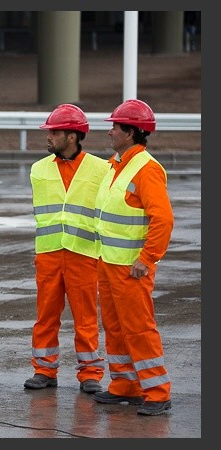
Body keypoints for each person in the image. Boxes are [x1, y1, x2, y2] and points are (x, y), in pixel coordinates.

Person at [91, 99, 174, 416]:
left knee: (139, 328)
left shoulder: (146, 169)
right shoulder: (117, 164)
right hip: (109, 262)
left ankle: (157, 391)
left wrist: (147, 258)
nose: (110, 131)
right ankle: (126, 385)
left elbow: (163, 219)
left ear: (131, 132)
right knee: (114, 327)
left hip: (132, 268)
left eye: (115, 126)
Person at [24, 104, 109, 393]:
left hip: (84, 254)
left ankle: (90, 374)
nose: (48, 136)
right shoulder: (38, 169)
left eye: (54, 131)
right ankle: (44, 370)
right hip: (48, 253)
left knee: (85, 317)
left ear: (72, 136)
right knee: (46, 315)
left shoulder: (102, 168)